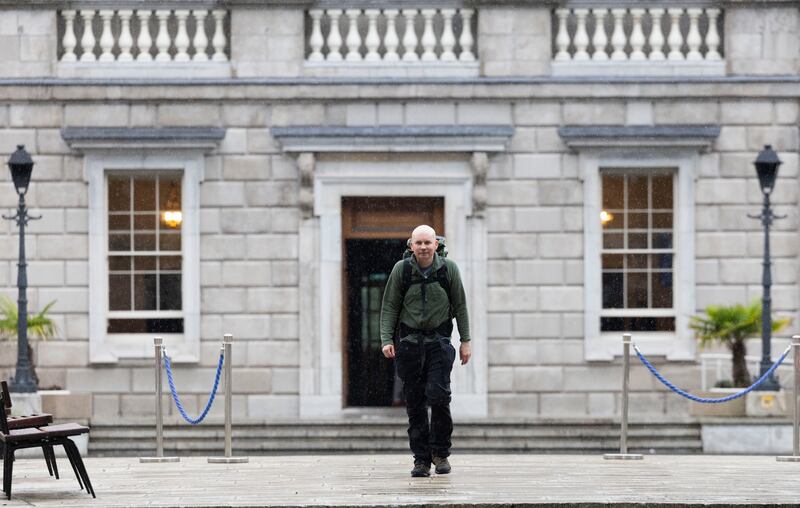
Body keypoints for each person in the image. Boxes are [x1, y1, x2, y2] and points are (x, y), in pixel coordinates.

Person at [380, 224, 471, 478]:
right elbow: (390, 306)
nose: (423, 247)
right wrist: (387, 338)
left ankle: (440, 453)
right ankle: (421, 459)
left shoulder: (448, 270)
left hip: (439, 342)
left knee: (439, 396)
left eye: (427, 243)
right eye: (418, 243)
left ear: (435, 245)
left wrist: (466, 340)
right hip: (409, 343)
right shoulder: (402, 270)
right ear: (411, 245)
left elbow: (461, 305)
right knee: (415, 403)